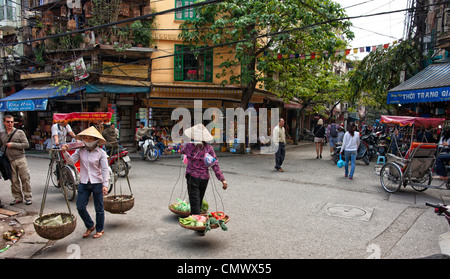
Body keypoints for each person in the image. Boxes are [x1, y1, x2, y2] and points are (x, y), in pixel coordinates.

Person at [61, 126, 110, 239]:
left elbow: (104, 169)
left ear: (96, 140)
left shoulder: (101, 153)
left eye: (90, 138)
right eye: (86, 138)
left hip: (97, 182)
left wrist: (105, 185)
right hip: (83, 182)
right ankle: (90, 225)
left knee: (99, 208)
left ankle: (100, 229)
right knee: (80, 206)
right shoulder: (80, 151)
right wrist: (65, 152)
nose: (88, 141)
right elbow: (71, 162)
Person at [181, 123, 227, 236]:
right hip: (204, 179)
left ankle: (199, 228)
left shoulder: (189, 146)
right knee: (198, 200)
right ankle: (194, 219)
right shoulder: (209, 148)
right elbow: (215, 164)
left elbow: (181, 151)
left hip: (193, 177)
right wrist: (222, 179)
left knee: (195, 201)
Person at [0, 115, 32, 205]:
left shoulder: (19, 132)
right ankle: (17, 197)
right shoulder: (2, 133)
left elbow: (26, 145)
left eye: (11, 122)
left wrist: (13, 144)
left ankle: (28, 197)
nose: (10, 124)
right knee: (13, 180)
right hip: (9, 160)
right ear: (4, 122)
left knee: (25, 178)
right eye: (8, 122)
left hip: (20, 158)